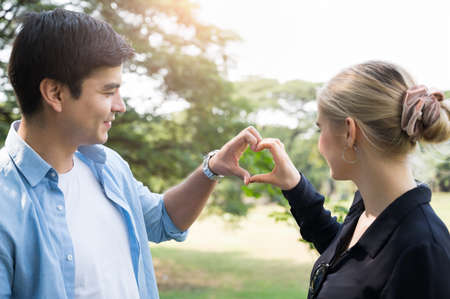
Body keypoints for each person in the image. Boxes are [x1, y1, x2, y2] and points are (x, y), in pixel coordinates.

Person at [0, 9, 261, 299]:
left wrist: (212, 169)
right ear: (55, 93)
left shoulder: (108, 166)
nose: (120, 106)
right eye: (107, 92)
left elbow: (163, 219)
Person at [248, 61, 450, 298]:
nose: (319, 143)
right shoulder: (369, 210)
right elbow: (348, 263)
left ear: (349, 132)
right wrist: (294, 186)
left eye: (320, 128)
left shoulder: (423, 250)